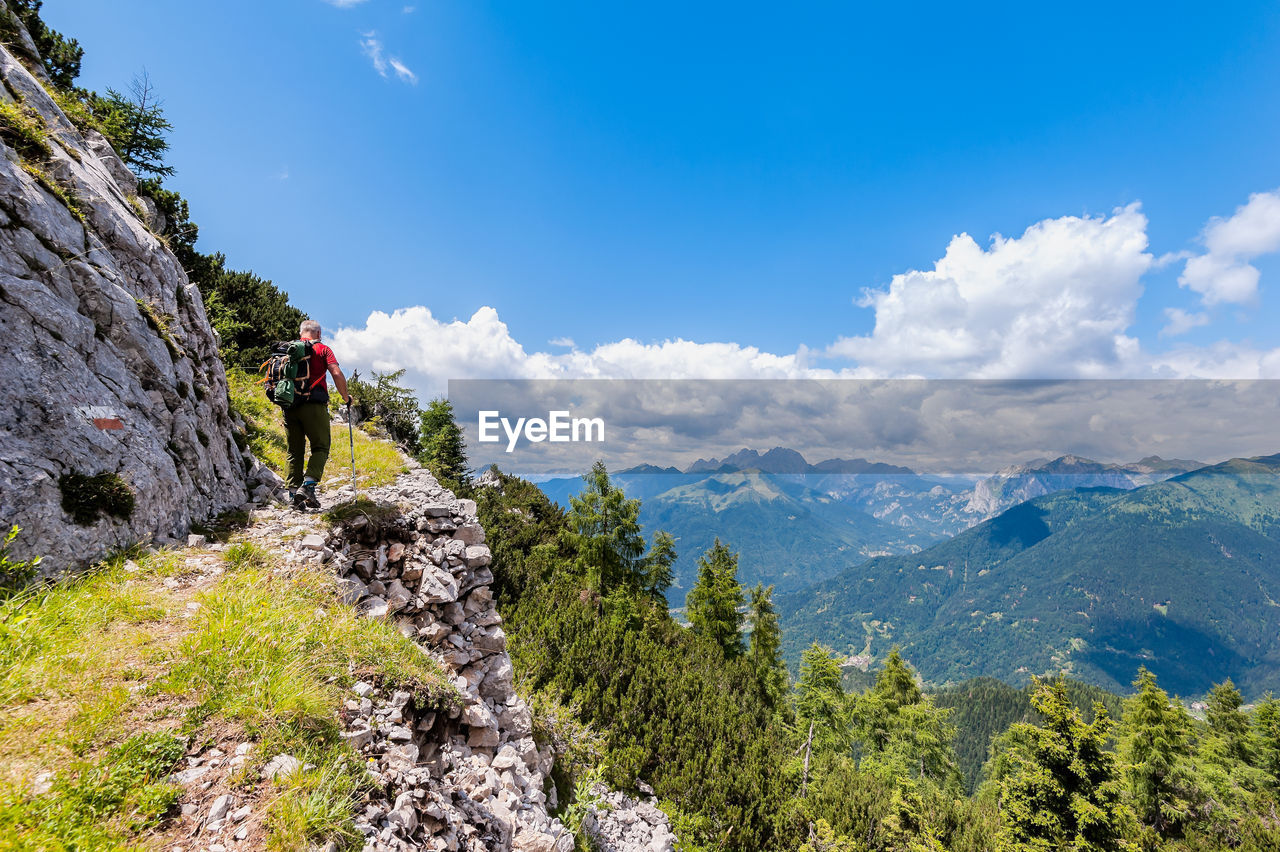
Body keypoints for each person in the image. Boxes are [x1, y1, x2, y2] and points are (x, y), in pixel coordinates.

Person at [285, 320, 350, 509]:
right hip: (314, 405)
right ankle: (308, 486)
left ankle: (292, 497)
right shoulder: (323, 349)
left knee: (294, 451)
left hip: (289, 406)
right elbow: (336, 373)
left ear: (301, 334)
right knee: (321, 447)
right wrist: (346, 397)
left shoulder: (289, 350)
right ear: (319, 333)